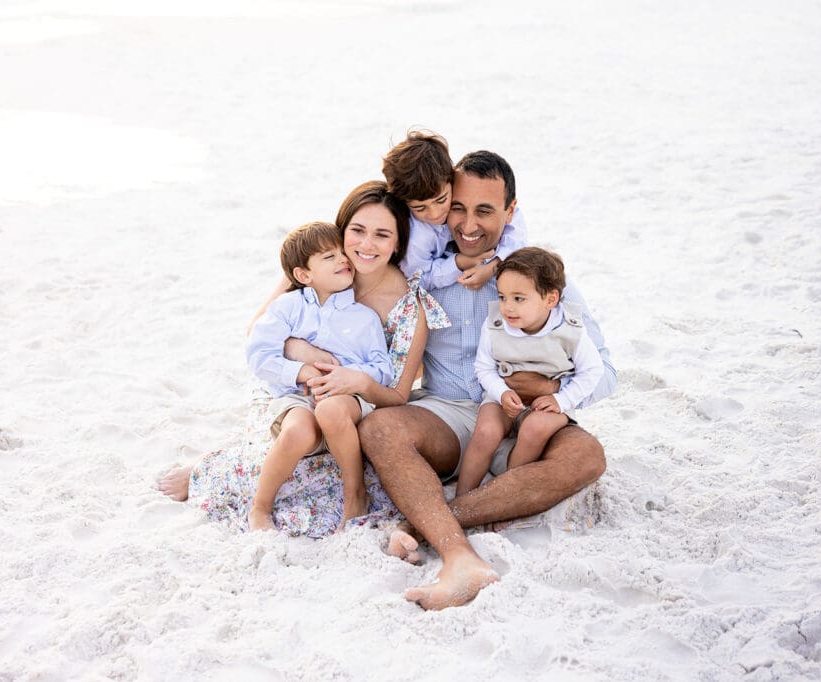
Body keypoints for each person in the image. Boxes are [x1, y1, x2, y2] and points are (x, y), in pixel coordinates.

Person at [359, 150, 617, 610]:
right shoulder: (425, 270)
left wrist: (546, 392)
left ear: (511, 212)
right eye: (458, 207)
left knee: (587, 457)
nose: (468, 224)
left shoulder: (537, 277)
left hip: (527, 418)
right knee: (380, 429)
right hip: (449, 412)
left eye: (485, 210)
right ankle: (459, 555)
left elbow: (606, 373)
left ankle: (429, 523)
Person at [155, 181, 450, 536]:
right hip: (292, 388)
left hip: (356, 406)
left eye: (382, 235)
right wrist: (303, 355)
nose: (365, 245)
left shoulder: (406, 304)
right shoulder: (313, 269)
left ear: (397, 243)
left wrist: (352, 380)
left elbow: (396, 392)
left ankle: (329, 487)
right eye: (356, 231)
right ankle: (220, 467)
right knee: (291, 438)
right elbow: (259, 335)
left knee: (321, 461)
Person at [246, 221, 393, 530]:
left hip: (346, 400)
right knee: (298, 431)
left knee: (330, 408)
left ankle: (354, 493)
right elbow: (259, 355)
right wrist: (300, 371)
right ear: (303, 275)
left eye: (342, 253)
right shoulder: (288, 307)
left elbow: (383, 370)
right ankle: (260, 507)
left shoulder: (364, 317)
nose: (343, 259)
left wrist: (347, 376)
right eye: (329, 257)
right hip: (296, 396)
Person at [454, 247, 604, 497]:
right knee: (486, 432)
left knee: (534, 429)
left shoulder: (570, 330)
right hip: (503, 396)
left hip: (549, 403)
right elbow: (484, 367)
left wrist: (560, 400)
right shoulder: (495, 325)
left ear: (550, 299)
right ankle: (463, 496)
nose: (507, 307)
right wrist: (501, 393)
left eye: (518, 298)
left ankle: (507, 495)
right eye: (502, 297)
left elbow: (592, 371)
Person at [382, 129, 527, 291]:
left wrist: (494, 265)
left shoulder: (461, 187)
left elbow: (515, 229)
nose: (435, 214)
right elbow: (417, 279)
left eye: (442, 200)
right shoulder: (417, 237)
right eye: (420, 207)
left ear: (450, 178)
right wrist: (460, 262)